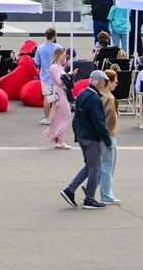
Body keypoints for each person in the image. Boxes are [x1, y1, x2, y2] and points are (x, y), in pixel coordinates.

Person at [60, 70, 113, 210]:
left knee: (88, 166)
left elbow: (76, 117)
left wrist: (77, 134)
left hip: (83, 135)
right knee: (95, 168)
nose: (105, 84)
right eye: (104, 82)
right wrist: (107, 141)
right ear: (100, 83)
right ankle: (89, 198)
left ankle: (70, 190)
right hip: (91, 137)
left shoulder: (83, 93)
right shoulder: (95, 99)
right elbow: (99, 122)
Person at [98, 66, 122, 204]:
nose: (116, 84)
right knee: (108, 165)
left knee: (102, 164)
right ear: (109, 82)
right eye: (115, 82)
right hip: (109, 134)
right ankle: (106, 194)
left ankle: (92, 184)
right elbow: (109, 119)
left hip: (103, 133)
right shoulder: (109, 98)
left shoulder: (100, 95)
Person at [43, 46, 73, 150]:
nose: (65, 57)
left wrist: (69, 75)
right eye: (63, 55)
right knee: (66, 117)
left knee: (60, 117)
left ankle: (59, 139)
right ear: (58, 55)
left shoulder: (58, 66)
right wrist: (68, 76)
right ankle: (59, 139)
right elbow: (60, 81)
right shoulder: (55, 67)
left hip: (60, 92)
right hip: (61, 93)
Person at [33, 28, 61, 125]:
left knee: (47, 97)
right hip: (56, 75)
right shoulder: (58, 47)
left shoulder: (40, 48)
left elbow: (36, 62)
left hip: (45, 75)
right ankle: (56, 117)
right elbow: (63, 61)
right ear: (54, 36)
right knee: (57, 97)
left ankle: (46, 118)